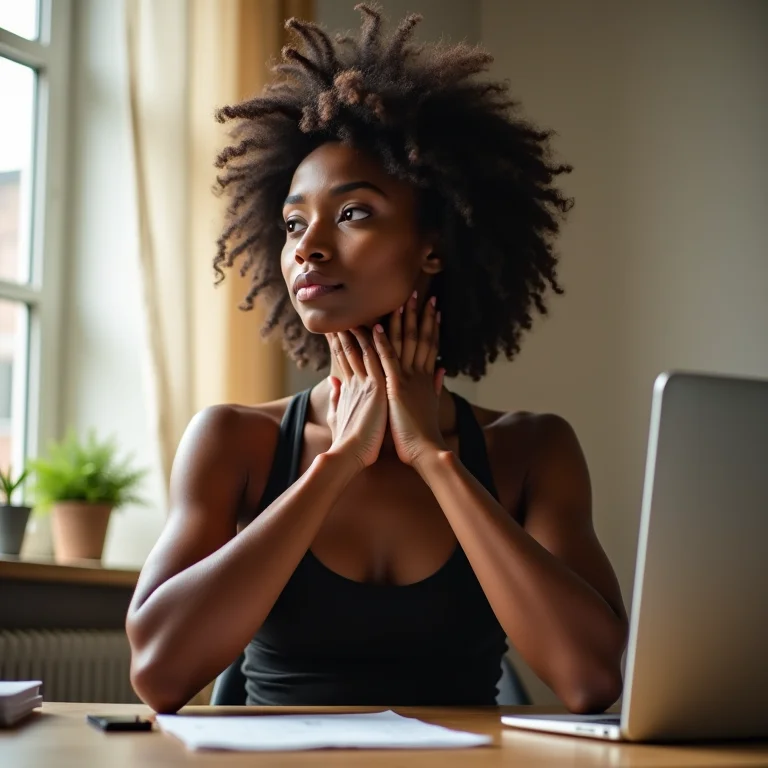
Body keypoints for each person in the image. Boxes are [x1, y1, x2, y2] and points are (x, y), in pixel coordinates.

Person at [126, 4, 628, 714]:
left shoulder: (531, 449)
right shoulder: (234, 439)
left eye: (353, 212)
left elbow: (592, 682)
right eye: (294, 223)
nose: (308, 246)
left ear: (433, 248)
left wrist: (435, 460)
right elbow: (158, 673)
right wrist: (331, 470)